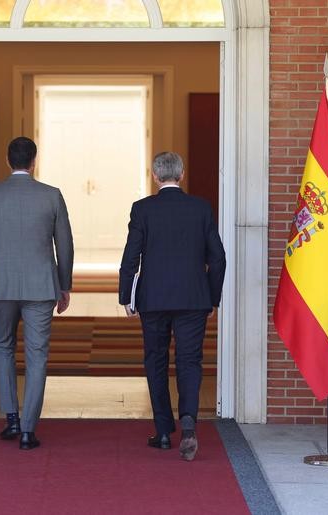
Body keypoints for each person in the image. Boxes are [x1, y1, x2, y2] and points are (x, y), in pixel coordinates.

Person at [118, 151, 226, 461]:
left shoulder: (142, 209)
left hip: (153, 298)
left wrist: (126, 295)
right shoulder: (200, 208)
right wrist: (211, 297)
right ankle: (189, 422)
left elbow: (132, 255)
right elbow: (217, 257)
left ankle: (164, 431)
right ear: (181, 174)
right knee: (189, 360)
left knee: (155, 360)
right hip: (193, 298)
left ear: (155, 176)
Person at [0, 136, 74, 450]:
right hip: (41, 286)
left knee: (3, 346)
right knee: (37, 355)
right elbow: (65, 244)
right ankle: (29, 430)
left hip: (1, 286)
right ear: (34, 161)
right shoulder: (51, 196)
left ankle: (11, 418)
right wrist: (64, 284)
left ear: (8, 160)